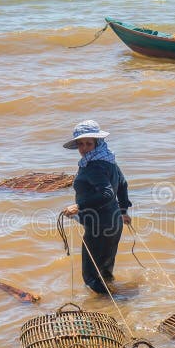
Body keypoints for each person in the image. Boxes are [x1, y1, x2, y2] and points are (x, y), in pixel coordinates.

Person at [61, 120, 132, 294]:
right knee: (105, 272)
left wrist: (78, 206)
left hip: (99, 227)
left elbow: (106, 194)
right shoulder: (108, 160)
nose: (84, 148)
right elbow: (122, 184)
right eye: (80, 144)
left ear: (97, 143)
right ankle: (118, 301)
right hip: (114, 222)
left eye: (88, 143)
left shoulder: (94, 166)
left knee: (91, 276)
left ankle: (111, 306)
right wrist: (123, 211)